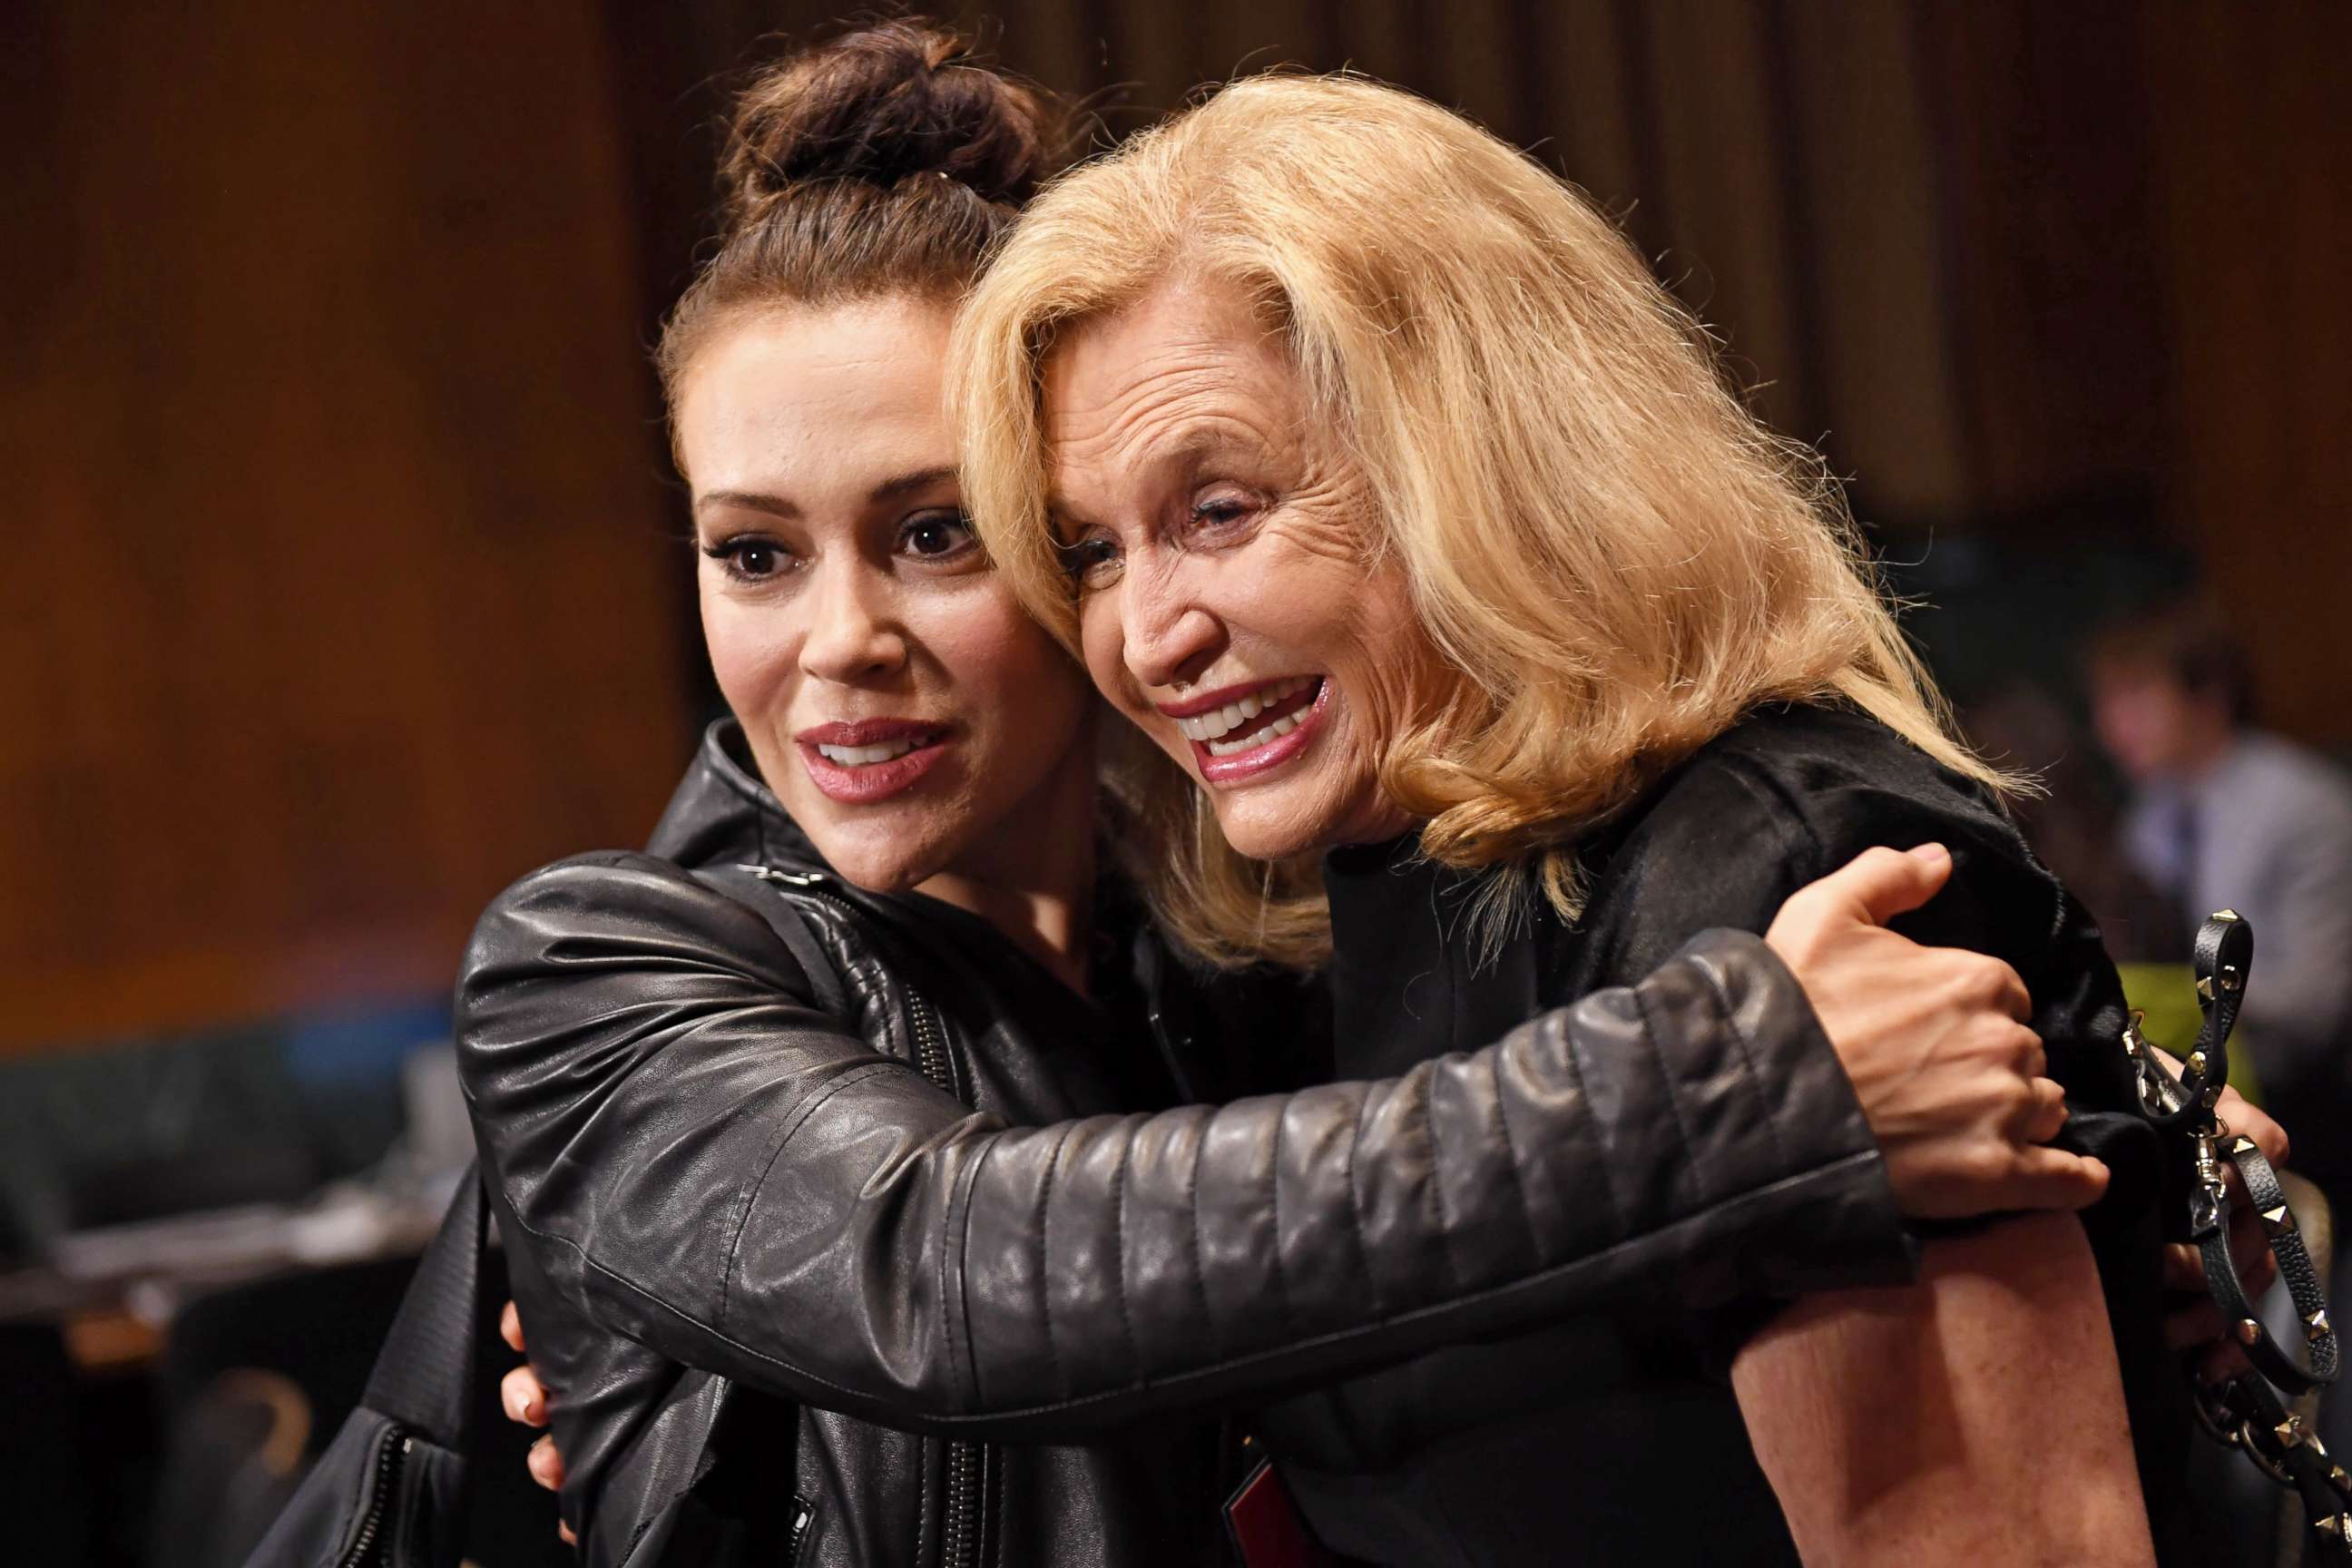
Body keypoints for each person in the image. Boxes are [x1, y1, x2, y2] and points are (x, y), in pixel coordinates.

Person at [458, 25, 2161, 1568]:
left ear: (1465, 458)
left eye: (940, 533)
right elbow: (952, 1260)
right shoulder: (592, 966)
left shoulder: (1263, 962)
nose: (839, 643)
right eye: (751, 551)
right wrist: (1744, 1086)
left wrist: (2134, 1156)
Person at [951, 71, 2262, 1566]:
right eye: (1093, 548)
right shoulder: (1360, 896)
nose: (1146, 632)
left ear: (1480, 461)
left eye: (1219, 510)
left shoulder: (1792, 868)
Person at [2091, 601, 2352, 1188]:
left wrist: (2178, 994)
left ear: (2209, 696)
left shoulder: (2303, 807)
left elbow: (2316, 1007)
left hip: (2314, 1100)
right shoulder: (2151, 815)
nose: (2112, 727)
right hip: (2214, 1082)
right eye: (2106, 704)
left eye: (2135, 698)